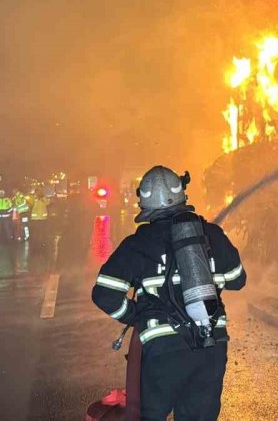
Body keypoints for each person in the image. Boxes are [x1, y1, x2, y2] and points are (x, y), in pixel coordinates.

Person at [92, 165, 245, 421]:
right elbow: (237, 280)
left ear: (144, 203)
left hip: (163, 351)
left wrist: (134, 314)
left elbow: (104, 294)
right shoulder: (211, 234)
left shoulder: (137, 244)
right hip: (210, 347)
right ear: (182, 195)